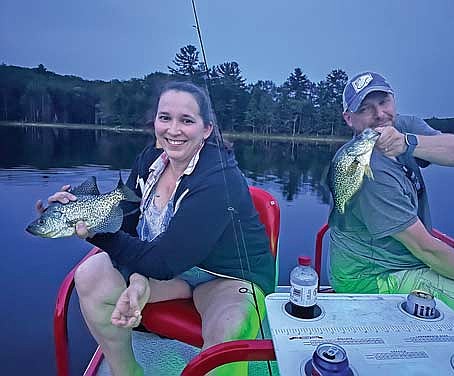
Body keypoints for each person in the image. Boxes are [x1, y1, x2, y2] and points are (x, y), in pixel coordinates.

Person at [37, 81, 275, 376]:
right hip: (171, 266)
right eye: (165, 118)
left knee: (230, 329)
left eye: (186, 120)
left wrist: (99, 237)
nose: (173, 130)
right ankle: (128, 372)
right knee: (89, 276)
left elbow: (161, 262)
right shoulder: (149, 160)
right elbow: (127, 225)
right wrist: (72, 210)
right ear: (155, 122)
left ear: (206, 129)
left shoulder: (220, 180)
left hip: (225, 276)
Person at [328, 71, 454, 336]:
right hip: (372, 277)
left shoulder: (403, 127)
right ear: (349, 120)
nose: (379, 114)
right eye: (365, 109)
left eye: (383, 102)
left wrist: (409, 143)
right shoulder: (366, 172)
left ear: (394, 100)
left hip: (405, 258)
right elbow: (426, 249)